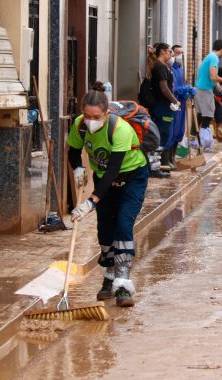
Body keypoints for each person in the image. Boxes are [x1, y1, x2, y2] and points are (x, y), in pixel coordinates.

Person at [67, 81, 149, 307]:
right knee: (105, 230)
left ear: (106, 113)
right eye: (86, 116)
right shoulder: (79, 125)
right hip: (104, 179)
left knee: (123, 224)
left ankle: (123, 285)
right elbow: (73, 150)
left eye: (96, 117)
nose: (90, 121)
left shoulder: (120, 129)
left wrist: (91, 201)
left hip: (131, 177)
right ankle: (109, 276)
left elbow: (114, 169)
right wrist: (78, 168)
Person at [150, 43, 180, 171]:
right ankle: (156, 166)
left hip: (165, 106)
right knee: (163, 133)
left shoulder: (164, 66)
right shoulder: (160, 67)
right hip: (162, 106)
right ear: (162, 52)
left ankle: (158, 165)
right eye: (169, 52)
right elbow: (164, 88)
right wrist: (175, 101)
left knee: (165, 133)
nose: (171, 55)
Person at [195, 40, 222, 146]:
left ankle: (197, 139)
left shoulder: (209, 56)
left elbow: (212, 79)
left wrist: (220, 90)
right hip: (204, 90)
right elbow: (213, 76)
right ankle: (203, 139)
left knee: (201, 115)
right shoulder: (214, 58)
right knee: (208, 115)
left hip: (202, 88)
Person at [170, 44, 192, 169]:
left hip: (182, 103)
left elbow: (183, 82)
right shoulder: (171, 68)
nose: (180, 55)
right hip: (174, 103)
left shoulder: (180, 68)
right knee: (173, 130)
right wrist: (179, 90)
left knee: (180, 130)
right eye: (177, 53)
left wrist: (187, 90)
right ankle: (169, 159)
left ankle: (173, 158)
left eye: (181, 53)